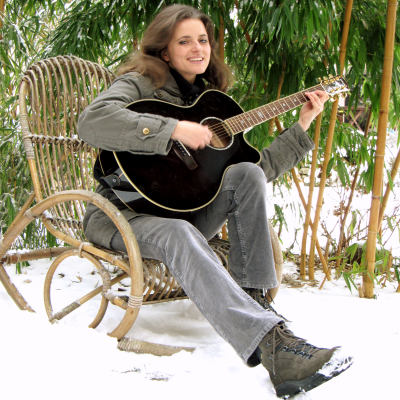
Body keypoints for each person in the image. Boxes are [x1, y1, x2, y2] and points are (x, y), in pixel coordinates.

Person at [78, 4, 353, 398]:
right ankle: (273, 347)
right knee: (176, 232)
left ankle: (259, 306)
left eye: (203, 40)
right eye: (184, 40)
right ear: (164, 50)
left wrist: (304, 123)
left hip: (184, 213)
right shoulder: (141, 82)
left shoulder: (211, 104)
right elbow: (91, 121)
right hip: (123, 214)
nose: (196, 48)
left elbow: (260, 171)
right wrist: (173, 129)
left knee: (247, 174)